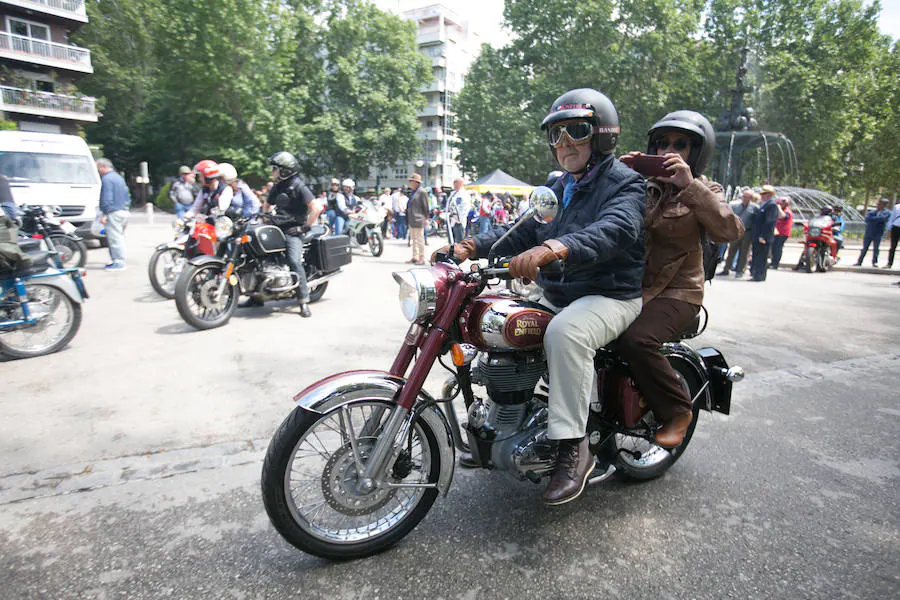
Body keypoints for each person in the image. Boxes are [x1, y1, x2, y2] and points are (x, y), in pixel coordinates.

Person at [436, 88, 646, 505]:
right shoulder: (557, 186)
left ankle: (574, 446)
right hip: (561, 292)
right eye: (556, 135)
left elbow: (616, 230)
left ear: (602, 135)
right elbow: (525, 231)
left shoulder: (626, 183)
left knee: (565, 334)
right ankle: (500, 423)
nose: (564, 143)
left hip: (610, 295)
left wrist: (558, 248)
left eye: (576, 131)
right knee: (496, 323)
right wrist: (473, 246)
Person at [617, 110, 743, 448]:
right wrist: (616, 175)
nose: (667, 150)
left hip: (678, 292)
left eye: (680, 144)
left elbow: (729, 230)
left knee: (636, 340)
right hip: (631, 285)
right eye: (660, 144)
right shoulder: (642, 187)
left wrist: (689, 186)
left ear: (696, 151)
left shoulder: (706, 190)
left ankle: (677, 411)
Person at [261, 151, 320, 317]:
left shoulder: (299, 186)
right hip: (276, 226)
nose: (272, 172)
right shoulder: (277, 186)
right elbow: (267, 203)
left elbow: (316, 207)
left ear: (285, 170)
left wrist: (305, 227)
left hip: (293, 230)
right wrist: (265, 218)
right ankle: (257, 297)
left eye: (275, 169)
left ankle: (303, 300)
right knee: (258, 255)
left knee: (294, 261)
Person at [96, 158, 131, 271]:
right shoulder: (118, 178)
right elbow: (126, 195)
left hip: (113, 212)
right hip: (123, 210)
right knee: (119, 237)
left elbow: (107, 197)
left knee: (115, 238)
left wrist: (104, 213)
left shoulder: (107, 179)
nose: (98, 170)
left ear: (103, 167)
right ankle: (118, 260)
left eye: (98, 168)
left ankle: (119, 262)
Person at [719, 188, 758, 277]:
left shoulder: (754, 208)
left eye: (747, 197)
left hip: (747, 232)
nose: (744, 198)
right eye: (743, 196)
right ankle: (726, 269)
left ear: (750, 198)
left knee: (744, 252)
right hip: (736, 231)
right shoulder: (735, 206)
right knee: (731, 250)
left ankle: (740, 270)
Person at [749, 184, 779, 281]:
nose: (762, 196)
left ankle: (760, 275)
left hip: (763, 236)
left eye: (765, 194)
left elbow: (769, 222)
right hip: (757, 235)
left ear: (770, 195)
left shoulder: (772, 205)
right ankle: (756, 274)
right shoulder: (763, 204)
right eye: (762, 194)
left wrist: (763, 236)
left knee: (762, 257)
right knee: (757, 255)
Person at [856, 199, 891, 267]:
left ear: (884, 205)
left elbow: (883, 219)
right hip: (869, 232)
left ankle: (874, 262)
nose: (878, 206)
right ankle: (859, 261)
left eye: (880, 204)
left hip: (878, 233)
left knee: (876, 248)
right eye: (878, 204)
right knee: (864, 248)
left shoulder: (887, 213)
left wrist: (873, 219)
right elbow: (867, 219)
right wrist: (877, 219)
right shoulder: (872, 212)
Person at [405, 173, 429, 264]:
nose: (410, 183)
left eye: (411, 181)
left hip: (419, 219)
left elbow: (425, 206)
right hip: (412, 219)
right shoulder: (413, 192)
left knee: (419, 239)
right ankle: (415, 257)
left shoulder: (422, 192)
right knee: (414, 239)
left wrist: (426, 218)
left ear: (416, 182)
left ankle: (422, 258)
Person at [445, 178, 472, 244]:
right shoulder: (453, 193)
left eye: (456, 183)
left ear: (460, 184)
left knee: (460, 241)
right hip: (451, 220)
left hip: (459, 221)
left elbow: (465, 208)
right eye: (454, 183)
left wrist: (460, 219)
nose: (454, 185)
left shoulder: (464, 194)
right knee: (451, 241)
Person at [770, 196, 793, 269]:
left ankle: (775, 264)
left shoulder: (787, 211)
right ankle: (773, 262)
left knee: (778, 248)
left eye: (783, 203)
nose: (782, 204)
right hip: (776, 232)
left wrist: (779, 207)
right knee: (774, 248)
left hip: (783, 233)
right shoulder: (778, 211)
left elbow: (783, 216)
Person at [886, 199, 900, 269]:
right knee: (893, 246)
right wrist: (889, 229)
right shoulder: (897, 207)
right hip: (896, 227)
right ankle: (889, 263)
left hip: (896, 226)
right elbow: (892, 218)